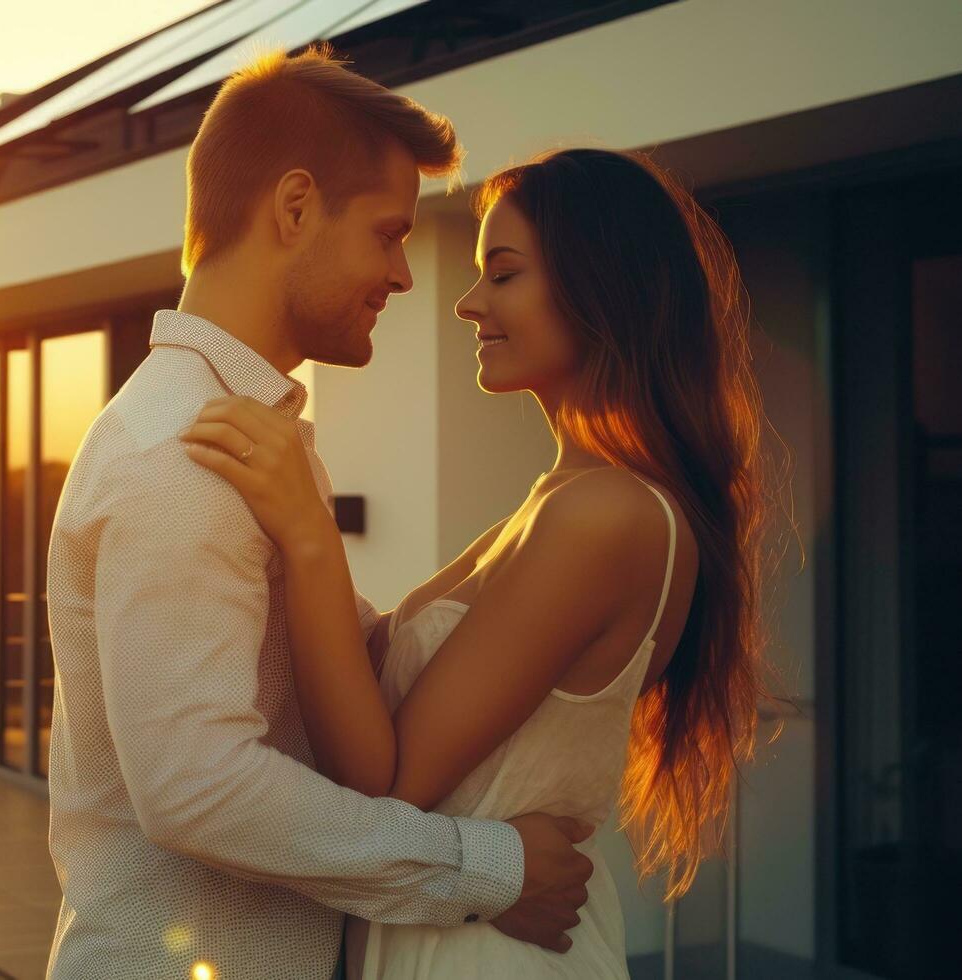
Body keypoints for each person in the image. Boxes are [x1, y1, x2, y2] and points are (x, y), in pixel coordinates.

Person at [44, 46, 594, 980]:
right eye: (386, 234)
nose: (404, 276)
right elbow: (196, 789)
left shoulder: (244, 433)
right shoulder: (184, 452)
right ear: (295, 208)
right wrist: (490, 866)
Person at [183, 147, 771, 978]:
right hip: (458, 924)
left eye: (502, 273)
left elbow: (383, 786)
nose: (466, 304)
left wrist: (309, 533)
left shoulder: (605, 516)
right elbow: (369, 673)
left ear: (601, 285)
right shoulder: (560, 500)